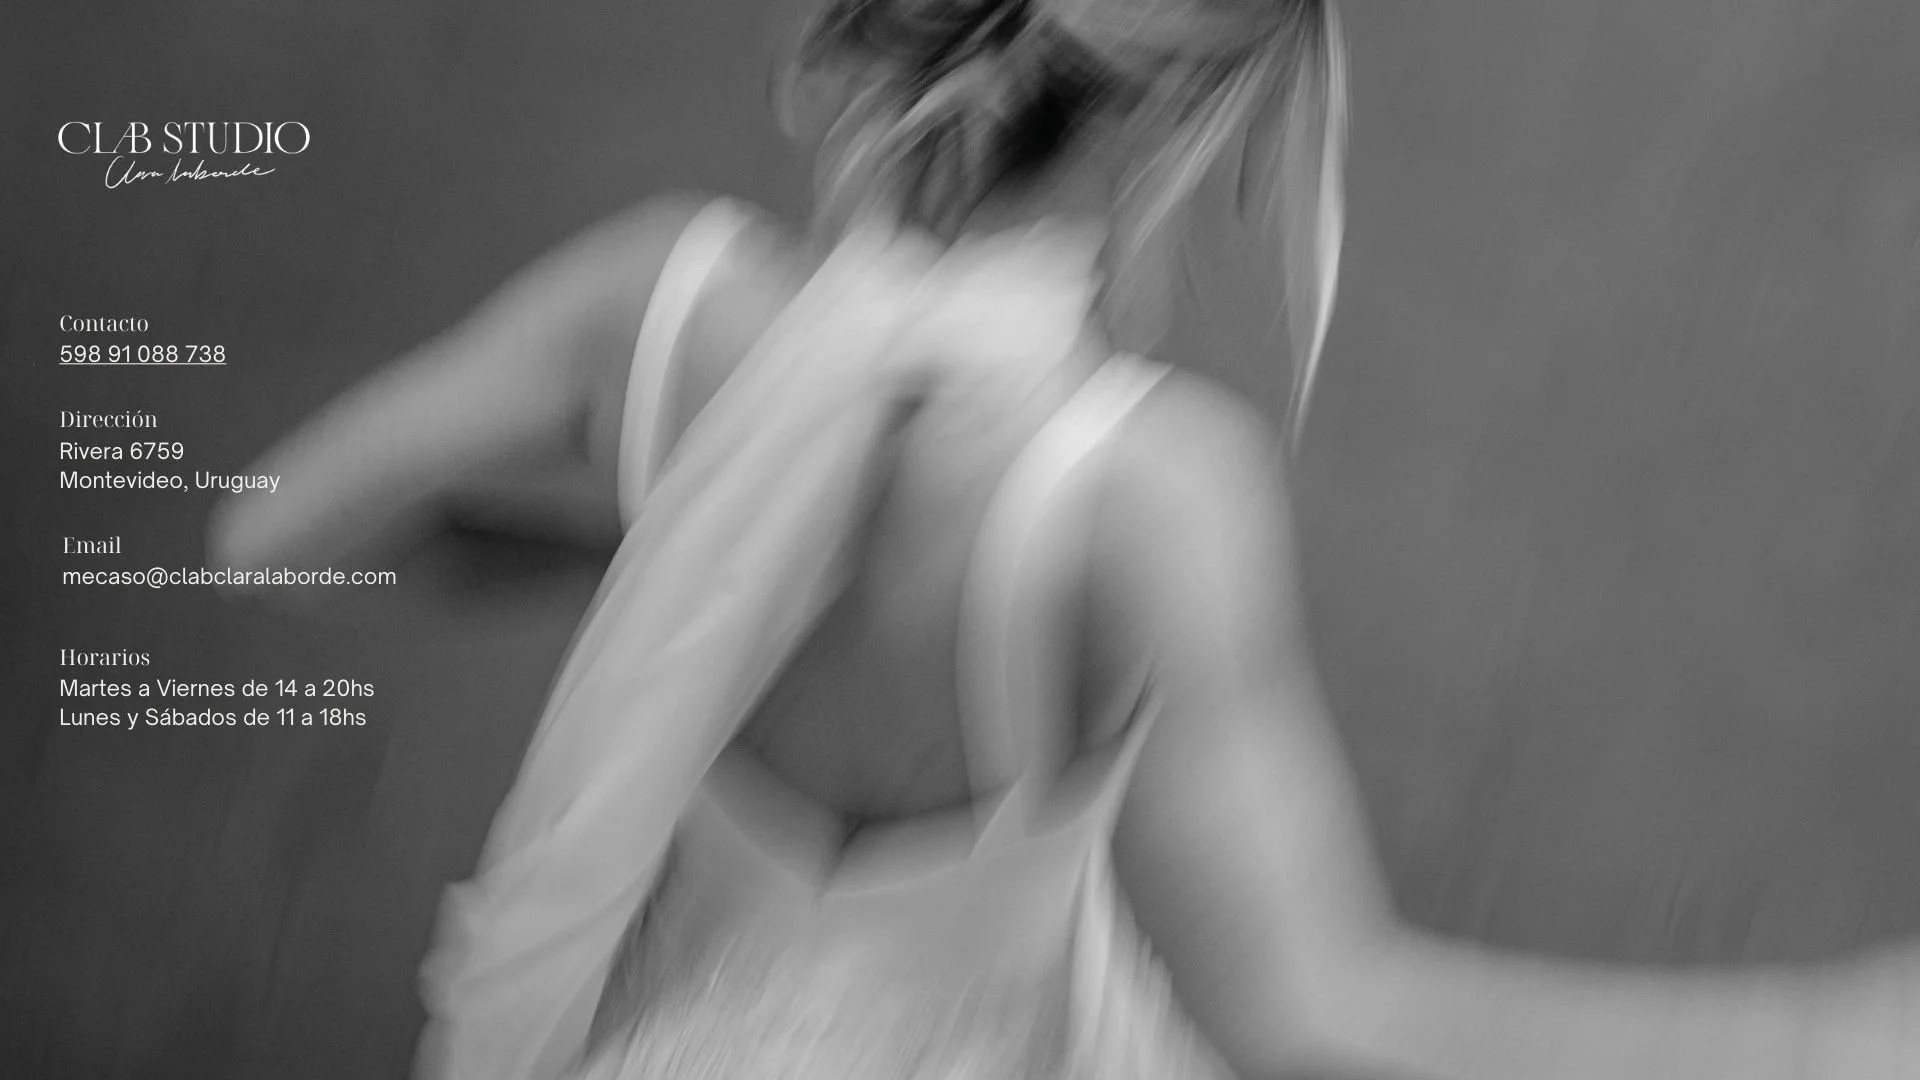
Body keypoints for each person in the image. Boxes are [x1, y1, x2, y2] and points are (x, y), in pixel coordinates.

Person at [208, 1, 1917, 1078]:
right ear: (1190, 123)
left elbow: (270, 538)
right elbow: (1317, 1016)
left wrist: (677, 578)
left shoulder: (649, 303)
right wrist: (1825, 1039)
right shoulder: (1143, 494)